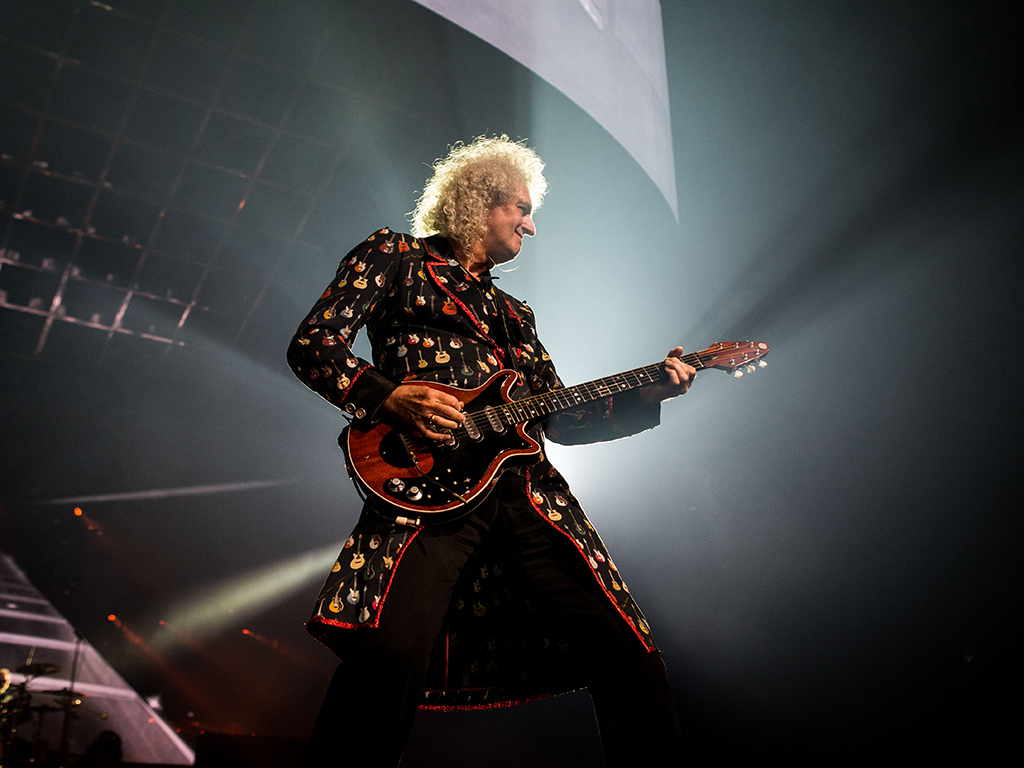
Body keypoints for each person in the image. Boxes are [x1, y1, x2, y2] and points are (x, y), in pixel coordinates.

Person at [288, 135, 695, 766]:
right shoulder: (395, 256)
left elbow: (561, 419)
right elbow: (314, 346)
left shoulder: (515, 314)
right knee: (388, 662)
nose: (532, 227)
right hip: (427, 490)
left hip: (528, 494)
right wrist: (388, 397)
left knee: (628, 653)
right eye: (523, 209)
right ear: (479, 202)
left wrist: (651, 394)